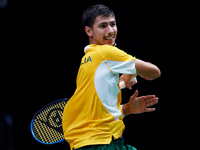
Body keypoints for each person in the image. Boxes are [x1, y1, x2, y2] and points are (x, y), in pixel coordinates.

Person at [62, 4, 161, 150]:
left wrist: (127, 109)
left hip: (93, 142)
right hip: (99, 142)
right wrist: (132, 71)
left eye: (113, 24)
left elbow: (96, 110)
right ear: (88, 31)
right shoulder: (106, 52)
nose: (110, 31)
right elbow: (154, 72)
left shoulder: (89, 60)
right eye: (103, 26)